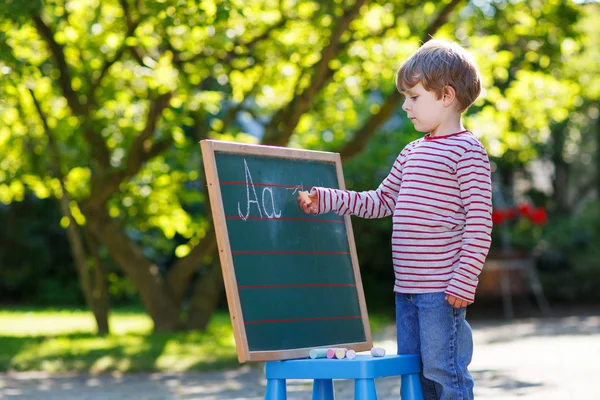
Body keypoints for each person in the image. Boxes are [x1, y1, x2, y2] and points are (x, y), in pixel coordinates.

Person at [298, 39, 492, 400]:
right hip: (407, 289)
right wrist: (327, 198)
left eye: (414, 97)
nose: (405, 106)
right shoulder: (412, 151)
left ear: (446, 95)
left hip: (441, 291)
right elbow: (381, 200)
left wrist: (464, 280)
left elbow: (480, 223)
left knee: (443, 371)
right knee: (414, 373)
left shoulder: (468, 152)